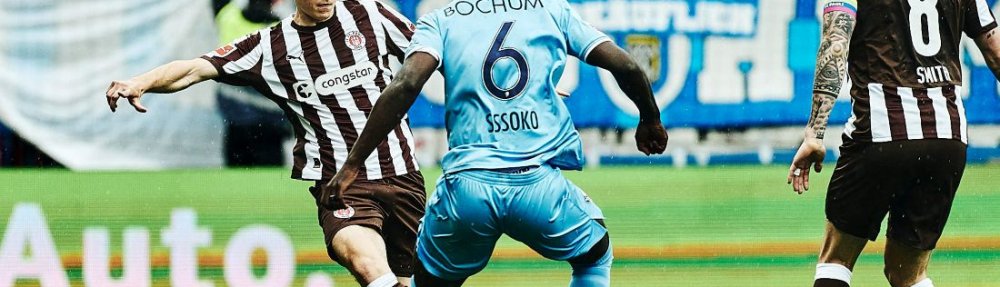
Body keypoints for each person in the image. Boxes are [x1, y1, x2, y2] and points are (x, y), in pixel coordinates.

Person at [323, 0, 668, 286]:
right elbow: (626, 65)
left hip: (466, 193)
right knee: (594, 257)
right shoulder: (551, 9)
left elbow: (408, 83)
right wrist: (650, 119)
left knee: (425, 281)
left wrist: (352, 165)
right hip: (537, 188)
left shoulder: (441, 20)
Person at [105, 0, 424, 286]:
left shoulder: (370, 13)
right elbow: (194, 69)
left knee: (405, 279)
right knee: (368, 266)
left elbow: (430, 51)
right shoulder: (269, 46)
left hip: (404, 179)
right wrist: (141, 81)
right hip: (342, 186)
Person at [788, 0, 1000, 286]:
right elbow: (995, 52)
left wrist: (815, 133)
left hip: (881, 135)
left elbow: (835, 44)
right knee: (907, 274)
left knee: (836, 260)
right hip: (946, 139)